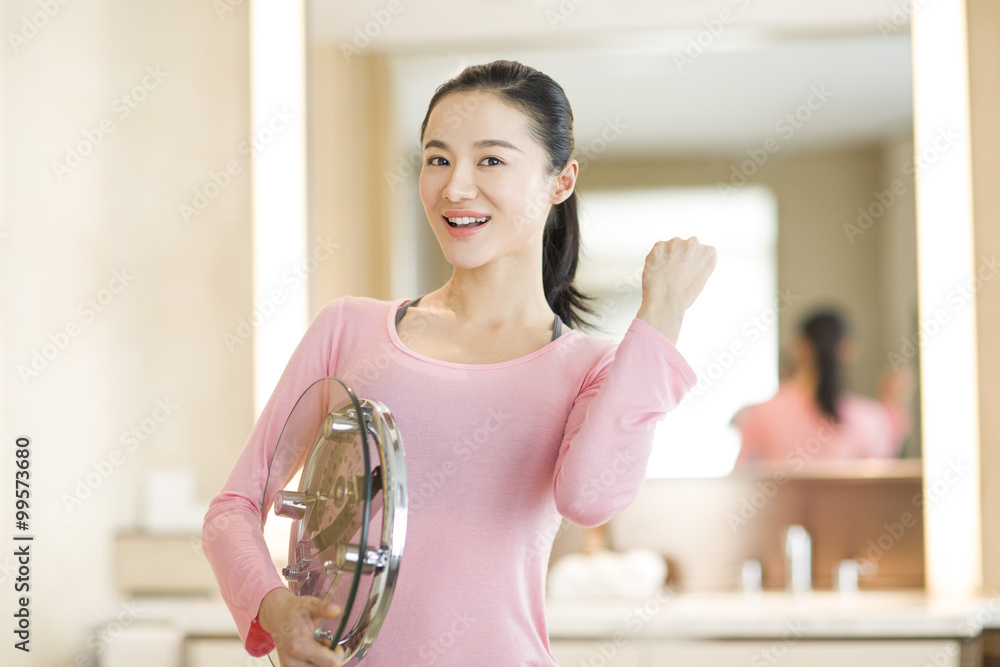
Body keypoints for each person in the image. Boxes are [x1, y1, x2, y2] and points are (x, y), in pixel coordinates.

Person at [202, 59, 717, 667]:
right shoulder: (348, 329)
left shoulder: (590, 367)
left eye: (491, 160)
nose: (455, 187)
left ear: (561, 180)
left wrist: (659, 320)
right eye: (438, 158)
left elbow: (591, 496)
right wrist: (275, 608)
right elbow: (232, 510)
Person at [733, 310, 912, 466]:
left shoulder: (763, 412)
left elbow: (742, 478)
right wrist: (893, 404)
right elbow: (883, 473)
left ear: (799, 347)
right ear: (849, 349)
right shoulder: (869, 418)